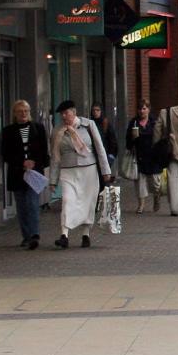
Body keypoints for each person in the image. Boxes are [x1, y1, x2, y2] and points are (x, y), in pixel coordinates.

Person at [49, 100, 112, 249]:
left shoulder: (88, 125)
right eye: (62, 114)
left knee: (87, 202)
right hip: (67, 171)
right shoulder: (58, 131)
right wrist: (53, 179)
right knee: (67, 201)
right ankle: (64, 235)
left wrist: (106, 171)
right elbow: (55, 156)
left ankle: (85, 234)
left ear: (74, 112)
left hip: (88, 170)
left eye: (67, 113)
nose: (64, 116)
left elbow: (100, 148)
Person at [0, 100, 49, 250]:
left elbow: (44, 151)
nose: (23, 114)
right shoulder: (8, 131)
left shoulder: (39, 129)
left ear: (30, 112)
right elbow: (5, 153)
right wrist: (22, 163)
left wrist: (34, 162)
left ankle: (34, 235)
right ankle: (26, 236)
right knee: (21, 206)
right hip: (17, 173)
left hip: (34, 173)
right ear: (15, 114)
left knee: (32, 203)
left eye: (26, 111)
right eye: (20, 111)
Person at [126, 99, 162, 215]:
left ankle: (157, 196)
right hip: (140, 156)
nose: (142, 111)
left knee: (156, 183)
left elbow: (160, 138)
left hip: (153, 155)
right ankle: (141, 204)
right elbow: (127, 141)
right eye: (140, 109)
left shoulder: (154, 121)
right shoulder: (134, 123)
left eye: (144, 108)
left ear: (148, 109)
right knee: (140, 182)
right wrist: (132, 138)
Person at [89, 102, 119, 169]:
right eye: (93, 110)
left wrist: (111, 156)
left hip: (105, 155)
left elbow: (113, 140)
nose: (95, 112)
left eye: (98, 110)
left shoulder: (105, 123)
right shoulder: (90, 123)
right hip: (93, 157)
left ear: (101, 111)